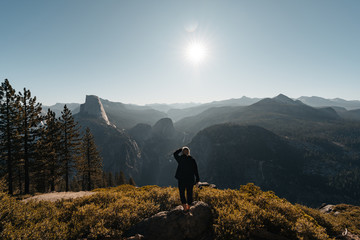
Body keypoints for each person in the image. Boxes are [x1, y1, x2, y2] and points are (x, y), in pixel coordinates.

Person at [173, 146, 200, 211]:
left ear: (182, 152)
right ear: (188, 152)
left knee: (182, 193)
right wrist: (197, 179)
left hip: (181, 179)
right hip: (190, 179)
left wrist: (181, 148)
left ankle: (185, 208)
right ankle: (189, 207)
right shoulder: (192, 160)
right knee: (189, 193)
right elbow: (195, 170)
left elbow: (175, 154)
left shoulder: (180, 159)